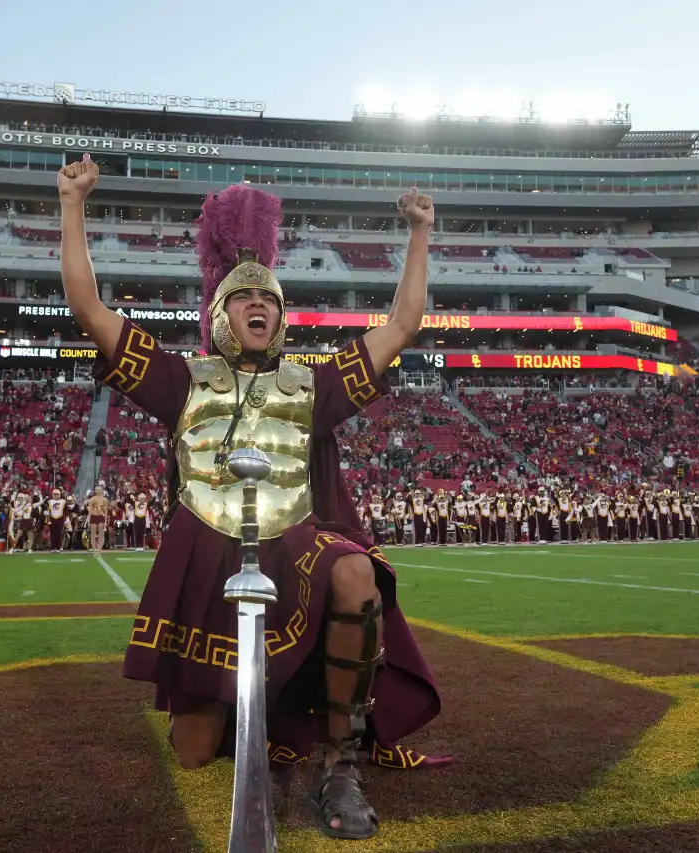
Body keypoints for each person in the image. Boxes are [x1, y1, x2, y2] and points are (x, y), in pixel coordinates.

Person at [56, 153, 443, 841]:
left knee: (358, 573)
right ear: (220, 314)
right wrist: (73, 204)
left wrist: (418, 233)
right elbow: (87, 307)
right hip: (208, 552)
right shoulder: (183, 380)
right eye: (243, 296)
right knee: (196, 750)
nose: (259, 302)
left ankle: (339, 757)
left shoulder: (309, 386)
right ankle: (251, 710)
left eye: (269, 296)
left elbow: (403, 324)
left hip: (294, 542)